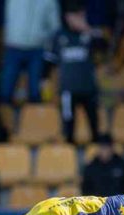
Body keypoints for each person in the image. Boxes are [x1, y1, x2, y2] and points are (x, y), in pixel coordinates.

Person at [50, 2, 100, 144]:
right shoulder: (59, 36)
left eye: (82, 15)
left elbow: (105, 50)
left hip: (88, 87)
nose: (79, 18)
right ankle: (68, 156)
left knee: (94, 124)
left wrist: (88, 30)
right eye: (76, 16)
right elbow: (50, 62)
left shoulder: (90, 33)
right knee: (69, 127)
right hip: (68, 89)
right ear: (67, 17)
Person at [0, 0, 60, 103]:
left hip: (37, 49)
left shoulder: (49, 1)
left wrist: (42, 38)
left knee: (35, 92)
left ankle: (34, 117)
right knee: (5, 90)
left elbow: (54, 26)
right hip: (14, 47)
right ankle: (7, 116)